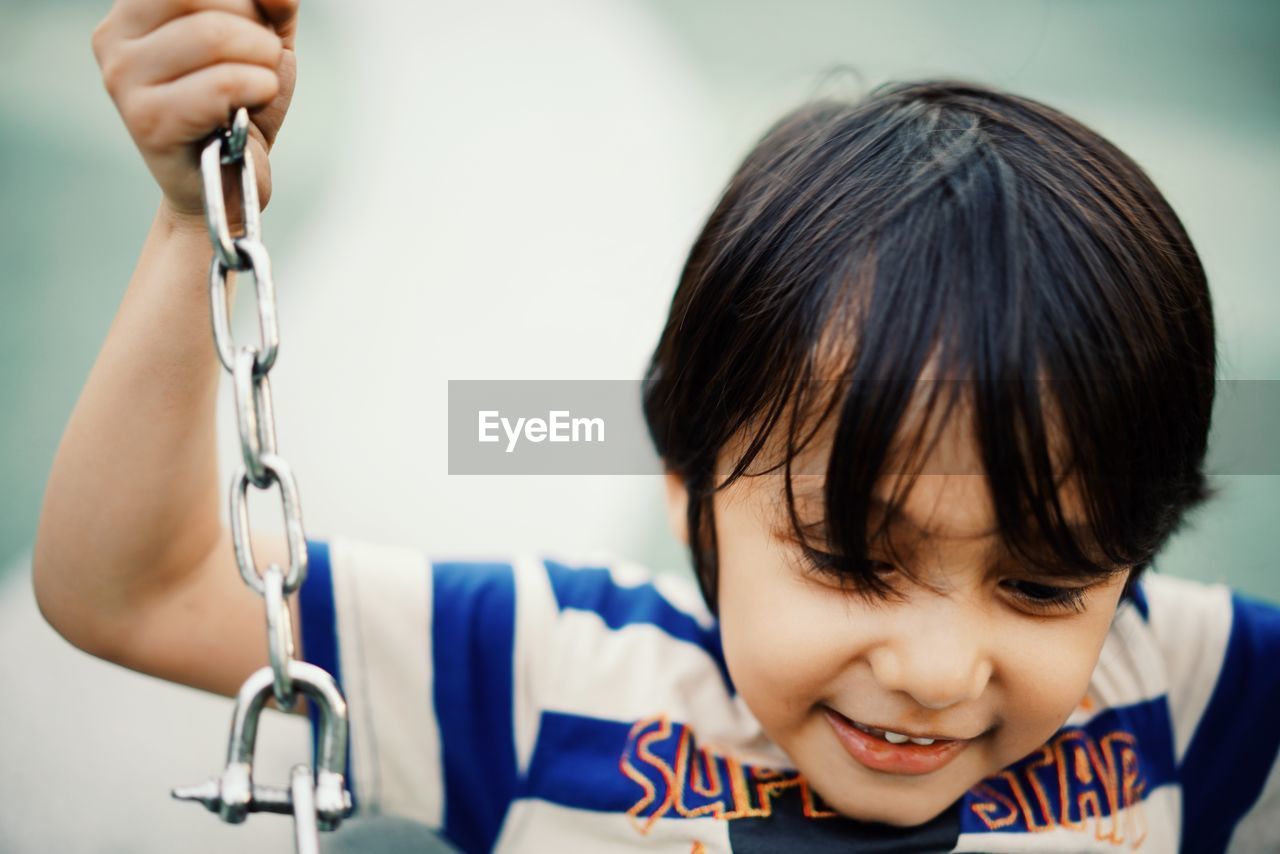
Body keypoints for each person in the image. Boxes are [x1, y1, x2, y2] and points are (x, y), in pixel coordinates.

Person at [32, 0, 1279, 851]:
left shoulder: (1178, 691)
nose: (937, 668)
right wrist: (199, 221)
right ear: (687, 489)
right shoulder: (550, 680)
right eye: (849, 557)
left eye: (1043, 580)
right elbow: (136, 591)